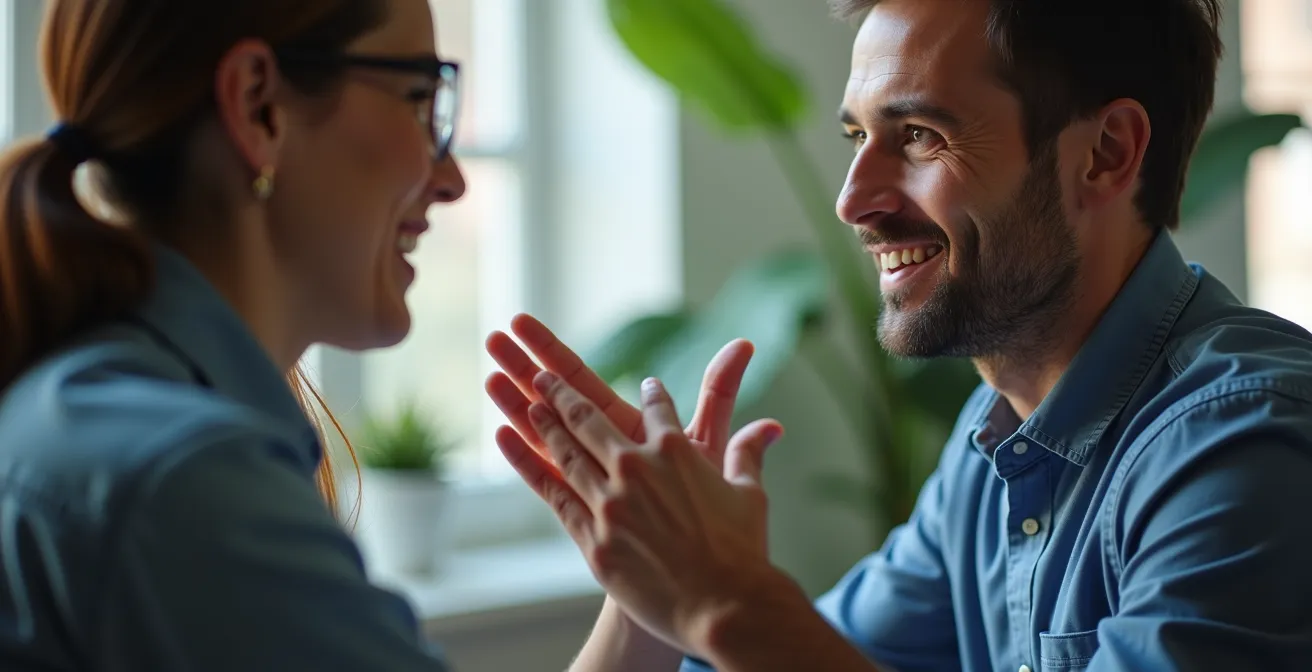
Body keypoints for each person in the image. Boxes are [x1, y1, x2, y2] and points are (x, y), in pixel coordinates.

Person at [485, 0, 1312, 670]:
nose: (854, 199)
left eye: (918, 135)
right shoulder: (991, 450)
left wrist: (725, 599)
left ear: (1105, 153)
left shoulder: (1242, 440)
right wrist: (653, 601)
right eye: (857, 136)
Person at [0, 1, 466, 669]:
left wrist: (639, 619)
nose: (451, 179)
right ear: (259, 107)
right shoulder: (185, 483)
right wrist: (680, 613)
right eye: (421, 97)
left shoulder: (88, 418)